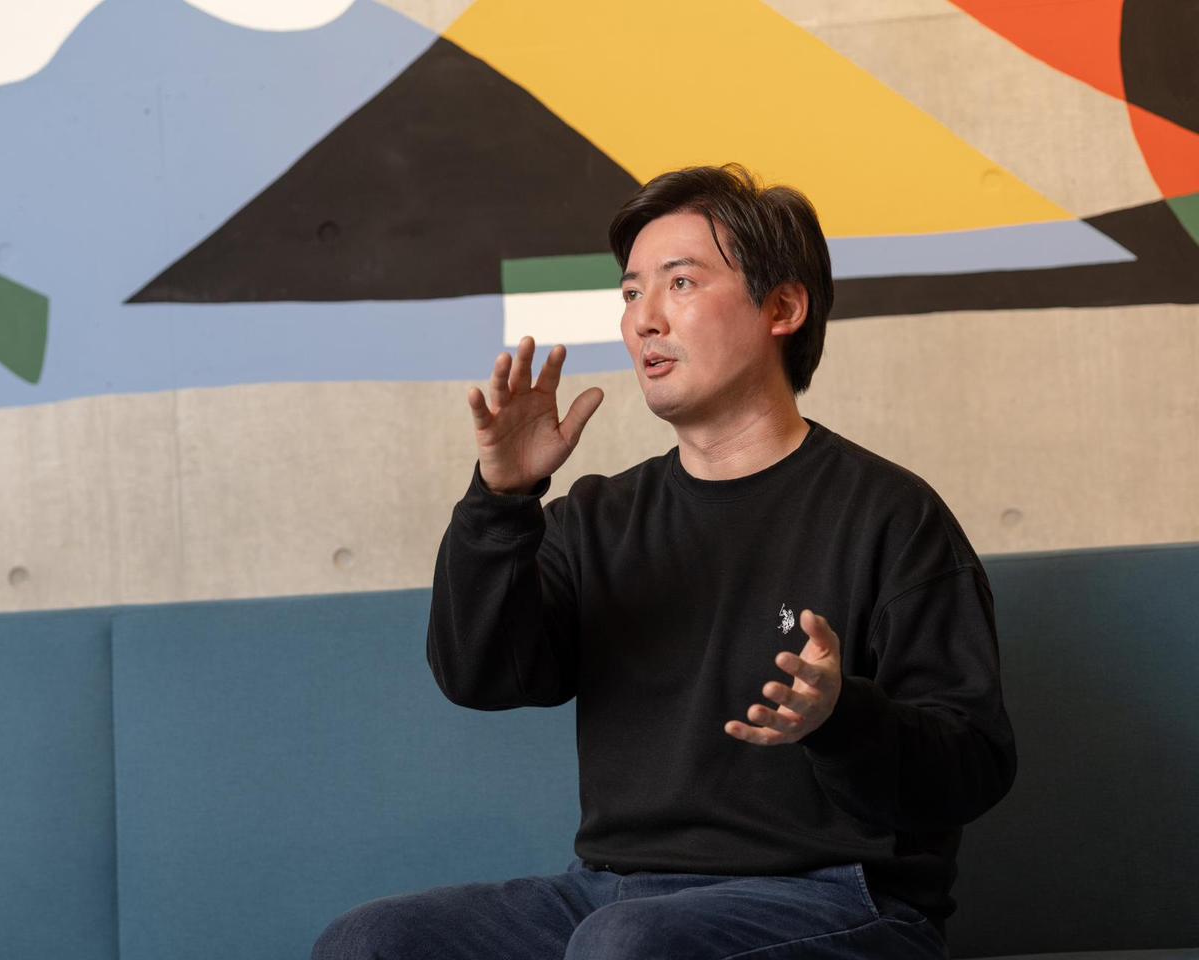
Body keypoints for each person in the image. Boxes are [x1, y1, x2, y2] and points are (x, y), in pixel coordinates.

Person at [312, 163, 1017, 959]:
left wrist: (842, 717)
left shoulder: (891, 515)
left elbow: (975, 765)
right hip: (611, 892)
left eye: (680, 283)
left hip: (837, 895)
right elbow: (480, 676)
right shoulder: (597, 518)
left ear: (782, 307)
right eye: (630, 292)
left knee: (625, 946)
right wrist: (501, 501)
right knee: (370, 942)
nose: (644, 319)